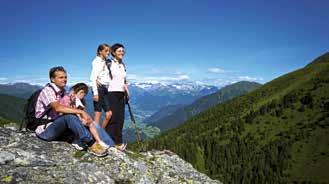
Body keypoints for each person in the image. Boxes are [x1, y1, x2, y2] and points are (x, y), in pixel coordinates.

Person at [35, 66, 107, 157]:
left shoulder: (62, 92)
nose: (64, 79)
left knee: (84, 122)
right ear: (52, 79)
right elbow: (58, 108)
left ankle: (84, 140)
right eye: (61, 77)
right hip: (45, 130)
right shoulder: (47, 91)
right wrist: (81, 112)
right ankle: (92, 144)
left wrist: (81, 118)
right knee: (69, 118)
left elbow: (67, 109)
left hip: (57, 126)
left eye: (65, 77)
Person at [59, 83, 115, 149]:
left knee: (92, 123)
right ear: (77, 91)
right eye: (82, 93)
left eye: (84, 93)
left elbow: (81, 113)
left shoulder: (79, 100)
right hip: (67, 122)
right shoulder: (67, 99)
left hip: (75, 119)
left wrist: (84, 119)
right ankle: (107, 143)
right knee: (93, 125)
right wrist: (81, 119)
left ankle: (103, 142)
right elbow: (64, 114)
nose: (83, 95)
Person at [105, 43, 129, 151]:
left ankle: (118, 142)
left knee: (121, 118)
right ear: (113, 52)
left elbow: (124, 80)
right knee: (113, 118)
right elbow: (101, 77)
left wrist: (126, 90)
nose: (122, 53)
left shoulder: (123, 65)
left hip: (121, 93)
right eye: (119, 51)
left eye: (123, 51)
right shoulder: (108, 63)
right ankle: (110, 142)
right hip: (111, 93)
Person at [90, 44, 113, 128]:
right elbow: (92, 77)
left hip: (105, 89)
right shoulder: (96, 61)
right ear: (100, 51)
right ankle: (95, 137)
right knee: (97, 114)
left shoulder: (105, 61)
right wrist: (95, 93)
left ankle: (100, 134)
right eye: (106, 51)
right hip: (99, 89)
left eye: (109, 51)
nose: (108, 53)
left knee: (108, 114)